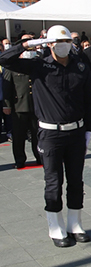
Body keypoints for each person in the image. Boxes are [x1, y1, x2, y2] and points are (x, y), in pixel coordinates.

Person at [0, 25, 91, 247]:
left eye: (66, 42)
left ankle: (75, 223)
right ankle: (55, 227)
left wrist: (89, 129)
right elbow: (5, 60)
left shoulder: (80, 67)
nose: (62, 46)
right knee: (53, 181)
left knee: (75, 181)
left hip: (76, 132)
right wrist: (27, 44)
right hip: (50, 134)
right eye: (57, 42)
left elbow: (89, 101)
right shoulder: (38, 66)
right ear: (49, 44)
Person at [2, 34, 42, 168]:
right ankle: (20, 159)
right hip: (19, 106)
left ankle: (39, 156)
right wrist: (6, 105)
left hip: (36, 105)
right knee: (19, 136)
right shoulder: (12, 67)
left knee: (37, 134)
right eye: (27, 49)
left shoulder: (37, 63)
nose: (30, 52)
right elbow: (7, 87)